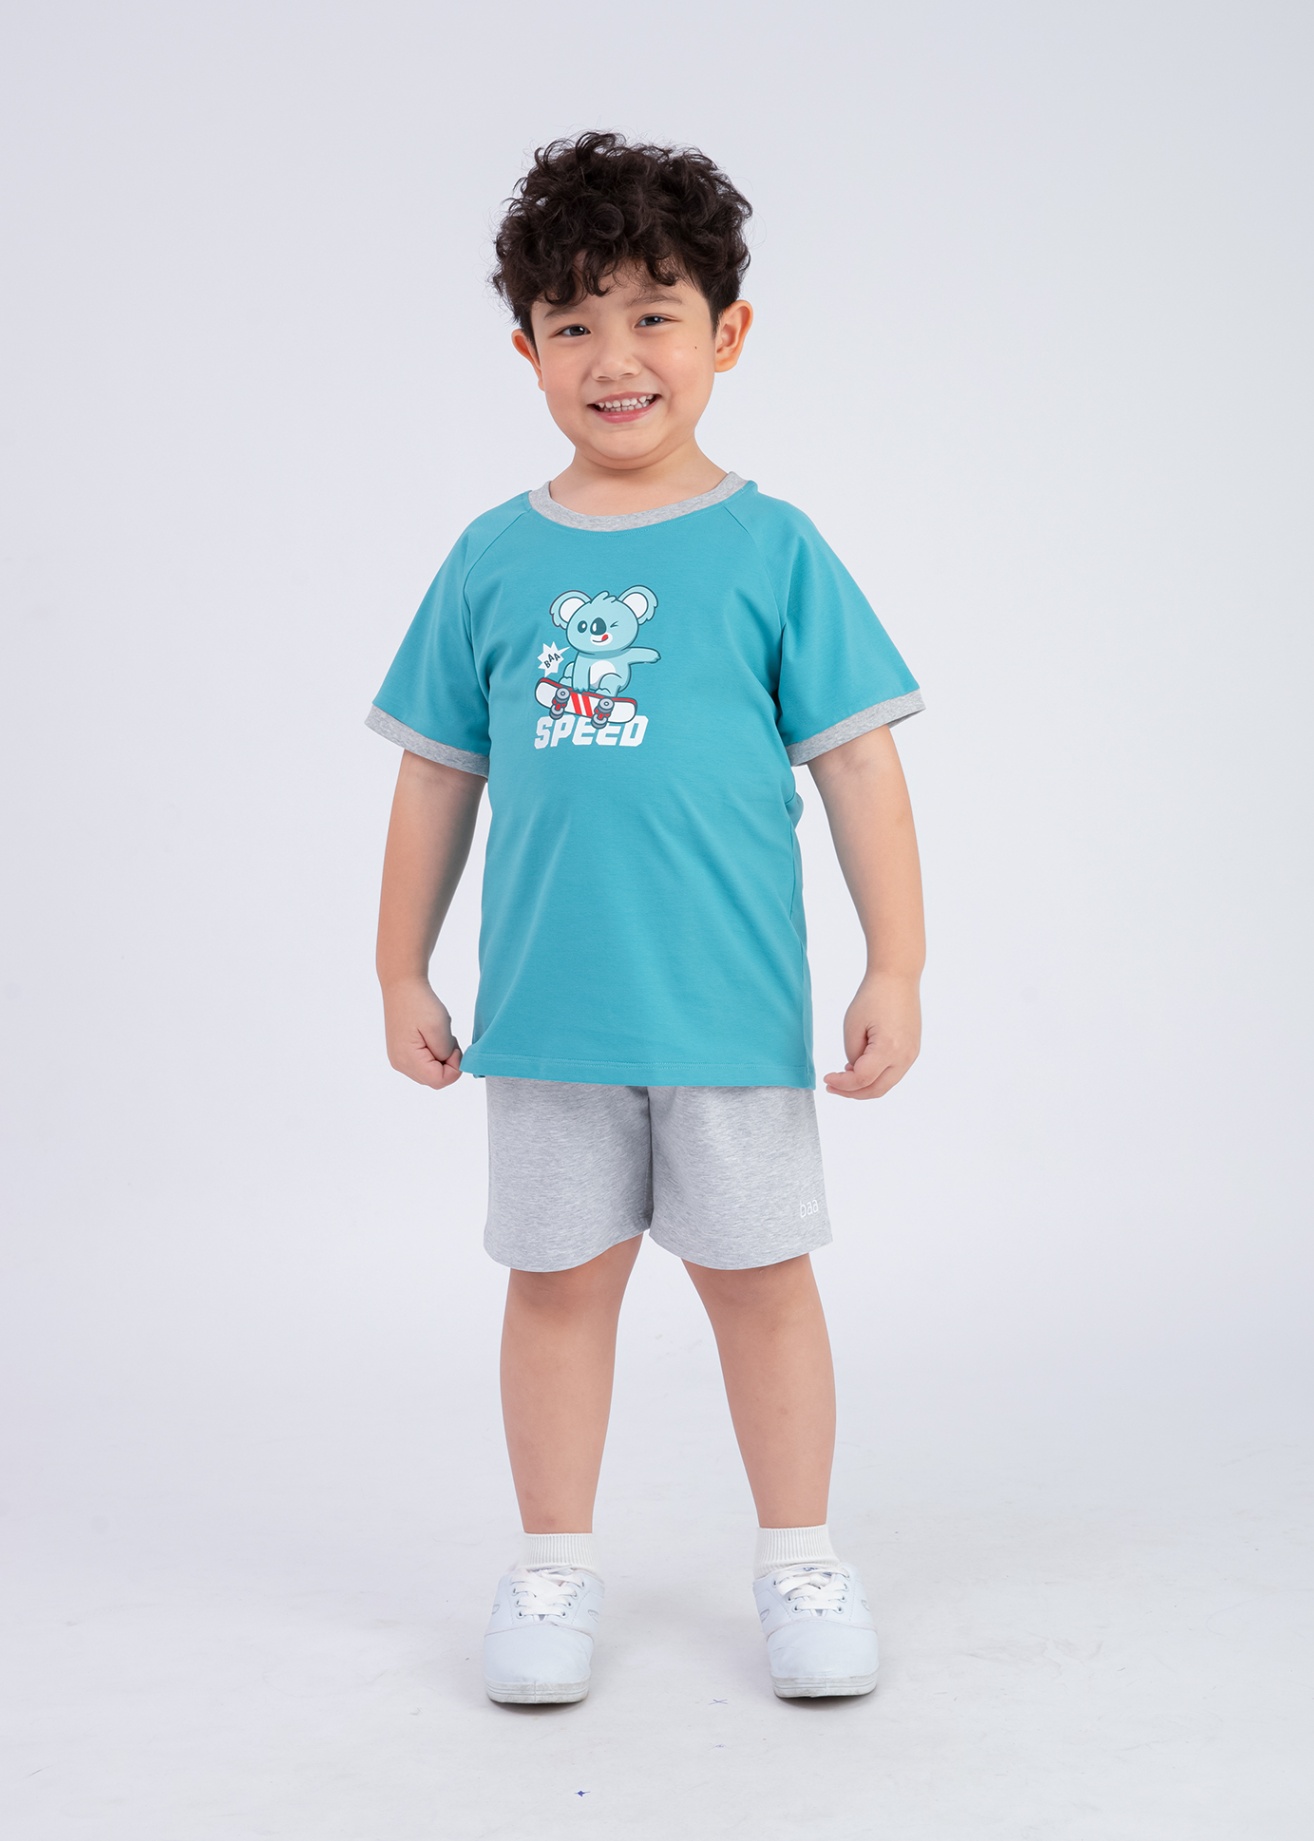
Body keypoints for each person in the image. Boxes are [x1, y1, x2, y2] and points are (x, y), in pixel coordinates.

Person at [366, 131, 925, 1704]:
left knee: (761, 1284)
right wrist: (399, 965)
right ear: (527, 349)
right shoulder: (490, 557)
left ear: (725, 332)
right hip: (548, 1018)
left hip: (727, 1014)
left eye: (652, 314)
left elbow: (858, 764)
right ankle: (550, 1567)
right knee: (555, 1287)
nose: (614, 358)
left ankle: (798, 1556)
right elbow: (435, 775)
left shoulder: (770, 547)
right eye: (573, 322)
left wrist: (896, 960)